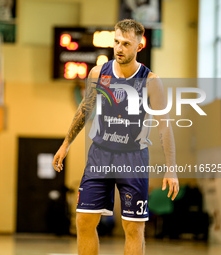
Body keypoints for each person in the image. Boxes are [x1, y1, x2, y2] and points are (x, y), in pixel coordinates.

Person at [53, 19, 179, 255]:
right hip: (100, 156)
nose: (119, 48)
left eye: (126, 44)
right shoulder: (98, 73)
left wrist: (171, 168)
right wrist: (66, 144)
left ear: (139, 46)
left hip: (133, 158)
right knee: (84, 222)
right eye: (117, 42)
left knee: (133, 228)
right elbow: (84, 110)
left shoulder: (151, 81)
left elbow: (165, 127)